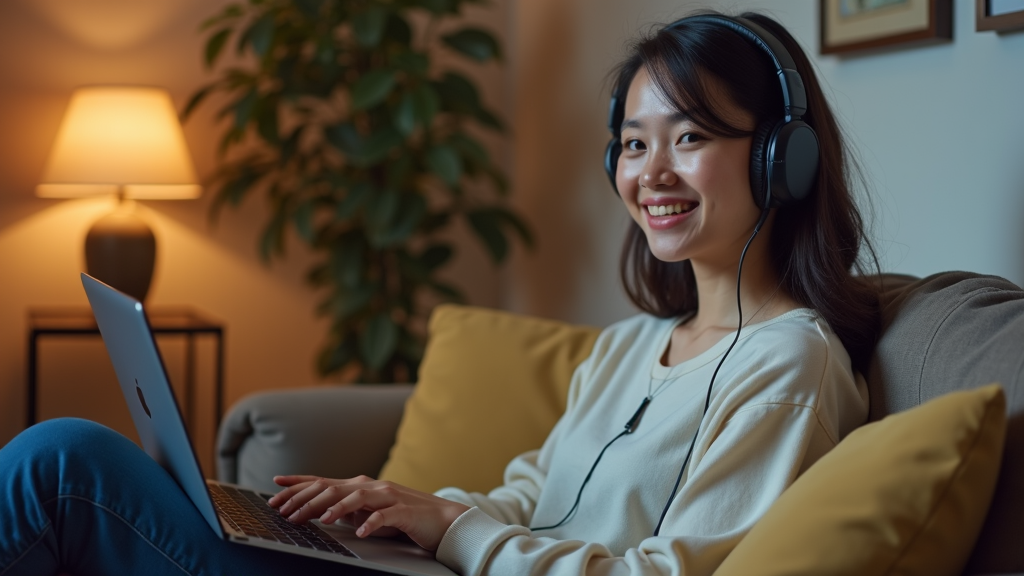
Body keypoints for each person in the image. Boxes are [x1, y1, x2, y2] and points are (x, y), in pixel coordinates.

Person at [0, 10, 880, 576]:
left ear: (780, 159)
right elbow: (532, 500)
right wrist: (404, 513)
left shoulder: (790, 366)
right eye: (634, 143)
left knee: (64, 464)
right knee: (87, 471)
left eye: (689, 137)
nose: (652, 172)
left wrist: (454, 535)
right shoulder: (626, 347)